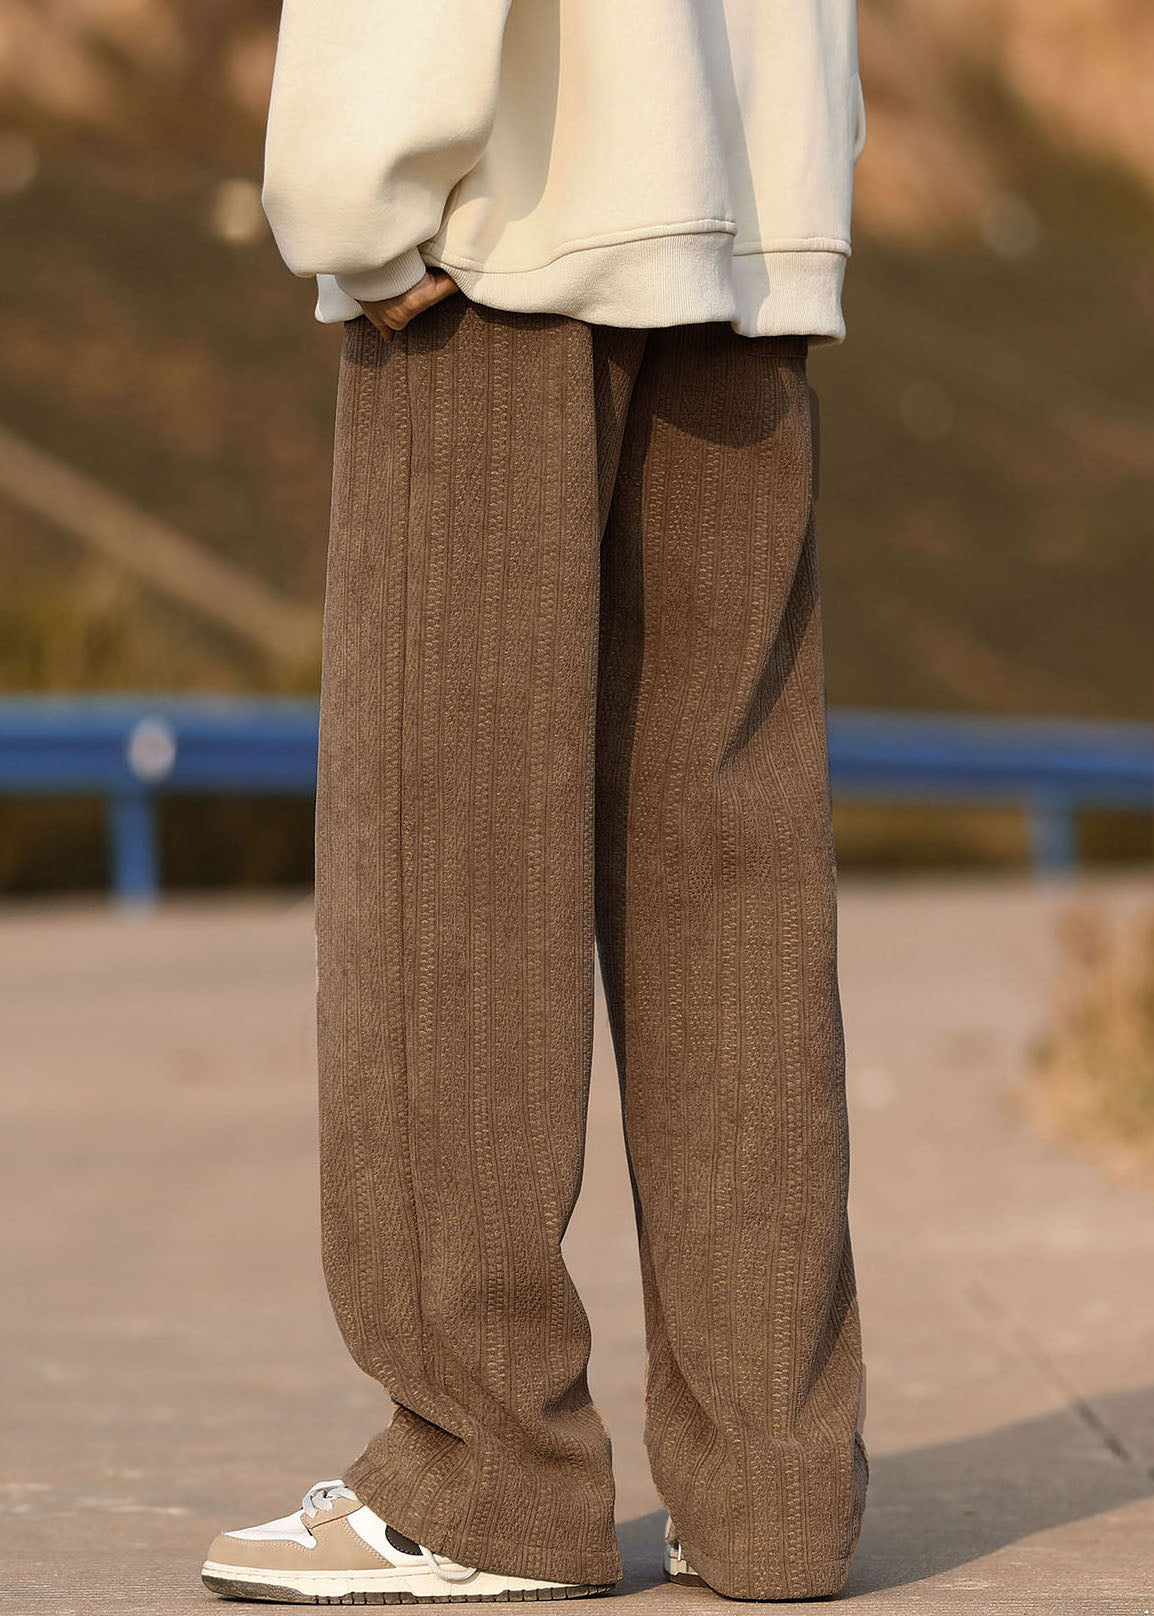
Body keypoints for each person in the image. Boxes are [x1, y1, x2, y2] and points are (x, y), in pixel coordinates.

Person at [201, 0, 869, 1603]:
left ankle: (482, 1476)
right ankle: (775, 1490)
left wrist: (354, 196)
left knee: (444, 854)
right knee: (731, 865)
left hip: (510, 226)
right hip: (746, 213)